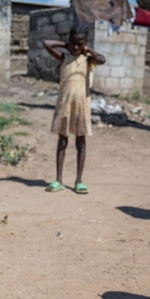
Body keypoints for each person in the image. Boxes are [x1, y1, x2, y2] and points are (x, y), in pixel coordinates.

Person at [43, 22, 106, 194]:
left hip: (81, 106)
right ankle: (59, 179)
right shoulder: (64, 58)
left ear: (86, 43)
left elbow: (102, 59)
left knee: (81, 141)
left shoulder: (89, 60)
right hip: (65, 104)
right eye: (74, 43)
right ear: (69, 41)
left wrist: (88, 50)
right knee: (62, 141)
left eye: (81, 43)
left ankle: (79, 180)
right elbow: (46, 44)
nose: (77, 47)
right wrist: (66, 45)